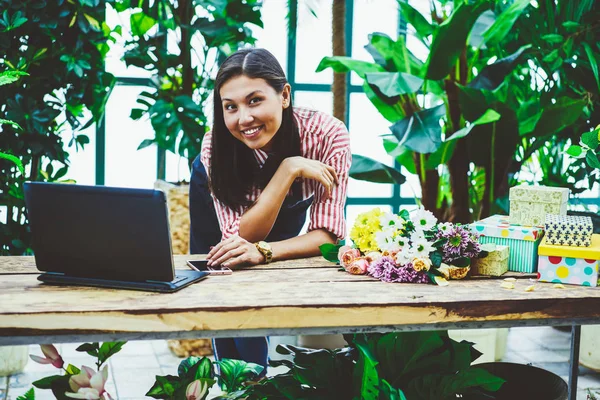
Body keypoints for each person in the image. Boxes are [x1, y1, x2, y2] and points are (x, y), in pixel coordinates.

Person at [188, 48, 351, 374]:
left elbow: (328, 235)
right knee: (223, 280)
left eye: (255, 100)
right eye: (230, 107)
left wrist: (264, 252)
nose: (243, 118)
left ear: (285, 95)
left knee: (261, 275)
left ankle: (253, 383)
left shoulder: (326, 136)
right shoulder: (214, 146)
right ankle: (240, 383)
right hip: (216, 204)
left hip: (287, 207)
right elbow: (239, 238)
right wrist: (288, 170)